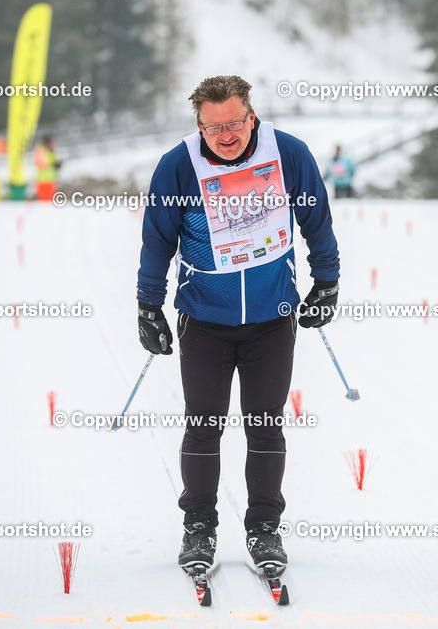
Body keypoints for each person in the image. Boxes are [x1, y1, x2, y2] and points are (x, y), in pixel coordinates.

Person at [136, 75, 340, 576]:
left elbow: (317, 221)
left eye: (235, 123)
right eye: (213, 127)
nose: (226, 135)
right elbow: (157, 239)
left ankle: (264, 528)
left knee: (266, 423)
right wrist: (147, 305)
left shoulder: (287, 154)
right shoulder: (178, 166)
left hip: (273, 318)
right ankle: (199, 528)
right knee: (203, 424)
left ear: (252, 115)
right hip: (204, 318)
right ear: (199, 125)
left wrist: (327, 282)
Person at [34, 135, 61, 201]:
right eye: (52, 142)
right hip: (43, 182)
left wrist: (57, 164)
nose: (53, 144)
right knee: (45, 205)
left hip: (51, 181)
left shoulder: (50, 151)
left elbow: (54, 161)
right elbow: (40, 163)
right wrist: (53, 165)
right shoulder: (41, 150)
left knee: (51, 203)